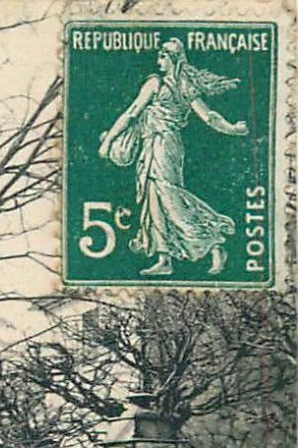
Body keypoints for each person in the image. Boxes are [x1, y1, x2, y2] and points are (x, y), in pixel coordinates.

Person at [99, 38, 248, 277]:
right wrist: (232, 128)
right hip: (155, 145)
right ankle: (164, 257)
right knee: (154, 199)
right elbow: (208, 116)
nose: (159, 60)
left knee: (169, 196)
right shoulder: (177, 85)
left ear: (173, 59)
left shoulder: (160, 84)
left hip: (163, 144)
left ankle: (213, 241)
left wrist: (108, 142)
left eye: (163, 56)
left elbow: (132, 113)